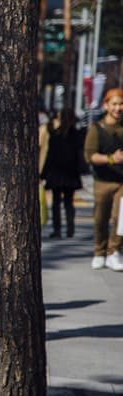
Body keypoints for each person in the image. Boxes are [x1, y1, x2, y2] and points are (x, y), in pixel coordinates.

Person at [84, 87, 123, 271]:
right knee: (100, 218)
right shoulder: (97, 128)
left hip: (121, 182)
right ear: (106, 105)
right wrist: (110, 159)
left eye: (121, 104)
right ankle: (99, 251)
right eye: (114, 104)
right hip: (103, 181)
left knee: (120, 217)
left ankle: (114, 251)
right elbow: (89, 155)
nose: (118, 108)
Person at [40, 109, 84, 239]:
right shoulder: (76, 135)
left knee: (56, 202)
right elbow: (80, 155)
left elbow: (50, 155)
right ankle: (70, 228)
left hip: (56, 173)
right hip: (70, 173)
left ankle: (57, 229)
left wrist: (43, 173)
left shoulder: (55, 135)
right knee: (69, 202)